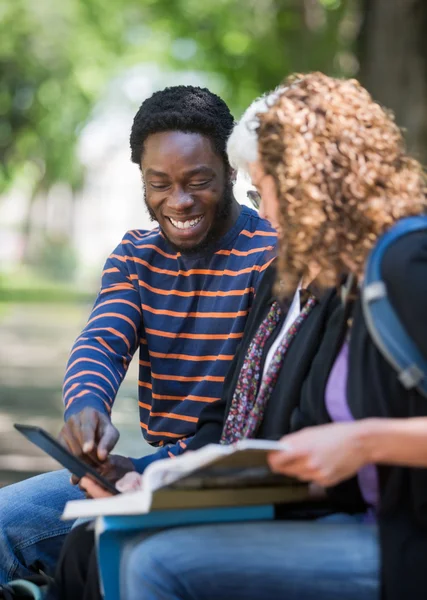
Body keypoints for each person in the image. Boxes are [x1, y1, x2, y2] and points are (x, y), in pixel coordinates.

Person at [76, 73, 427, 600]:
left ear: (311, 184)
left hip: (397, 534)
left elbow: (334, 442)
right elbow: (254, 424)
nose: (265, 215)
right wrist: (168, 482)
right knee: (106, 540)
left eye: (266, 193)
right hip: (309, 507)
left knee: (155, 563)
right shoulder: (310, 283)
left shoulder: (404, 262)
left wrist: (362, 441)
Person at [0, 85, 277, 584]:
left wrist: (149, 472)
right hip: (152, 471)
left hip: (231, 480)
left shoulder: (271, 258)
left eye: (199, 181)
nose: (179, 201)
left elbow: (251, 416)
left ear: (232, 172)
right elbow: (102, 342)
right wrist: (85, 408)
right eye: (160, 184)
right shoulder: (135, 256)